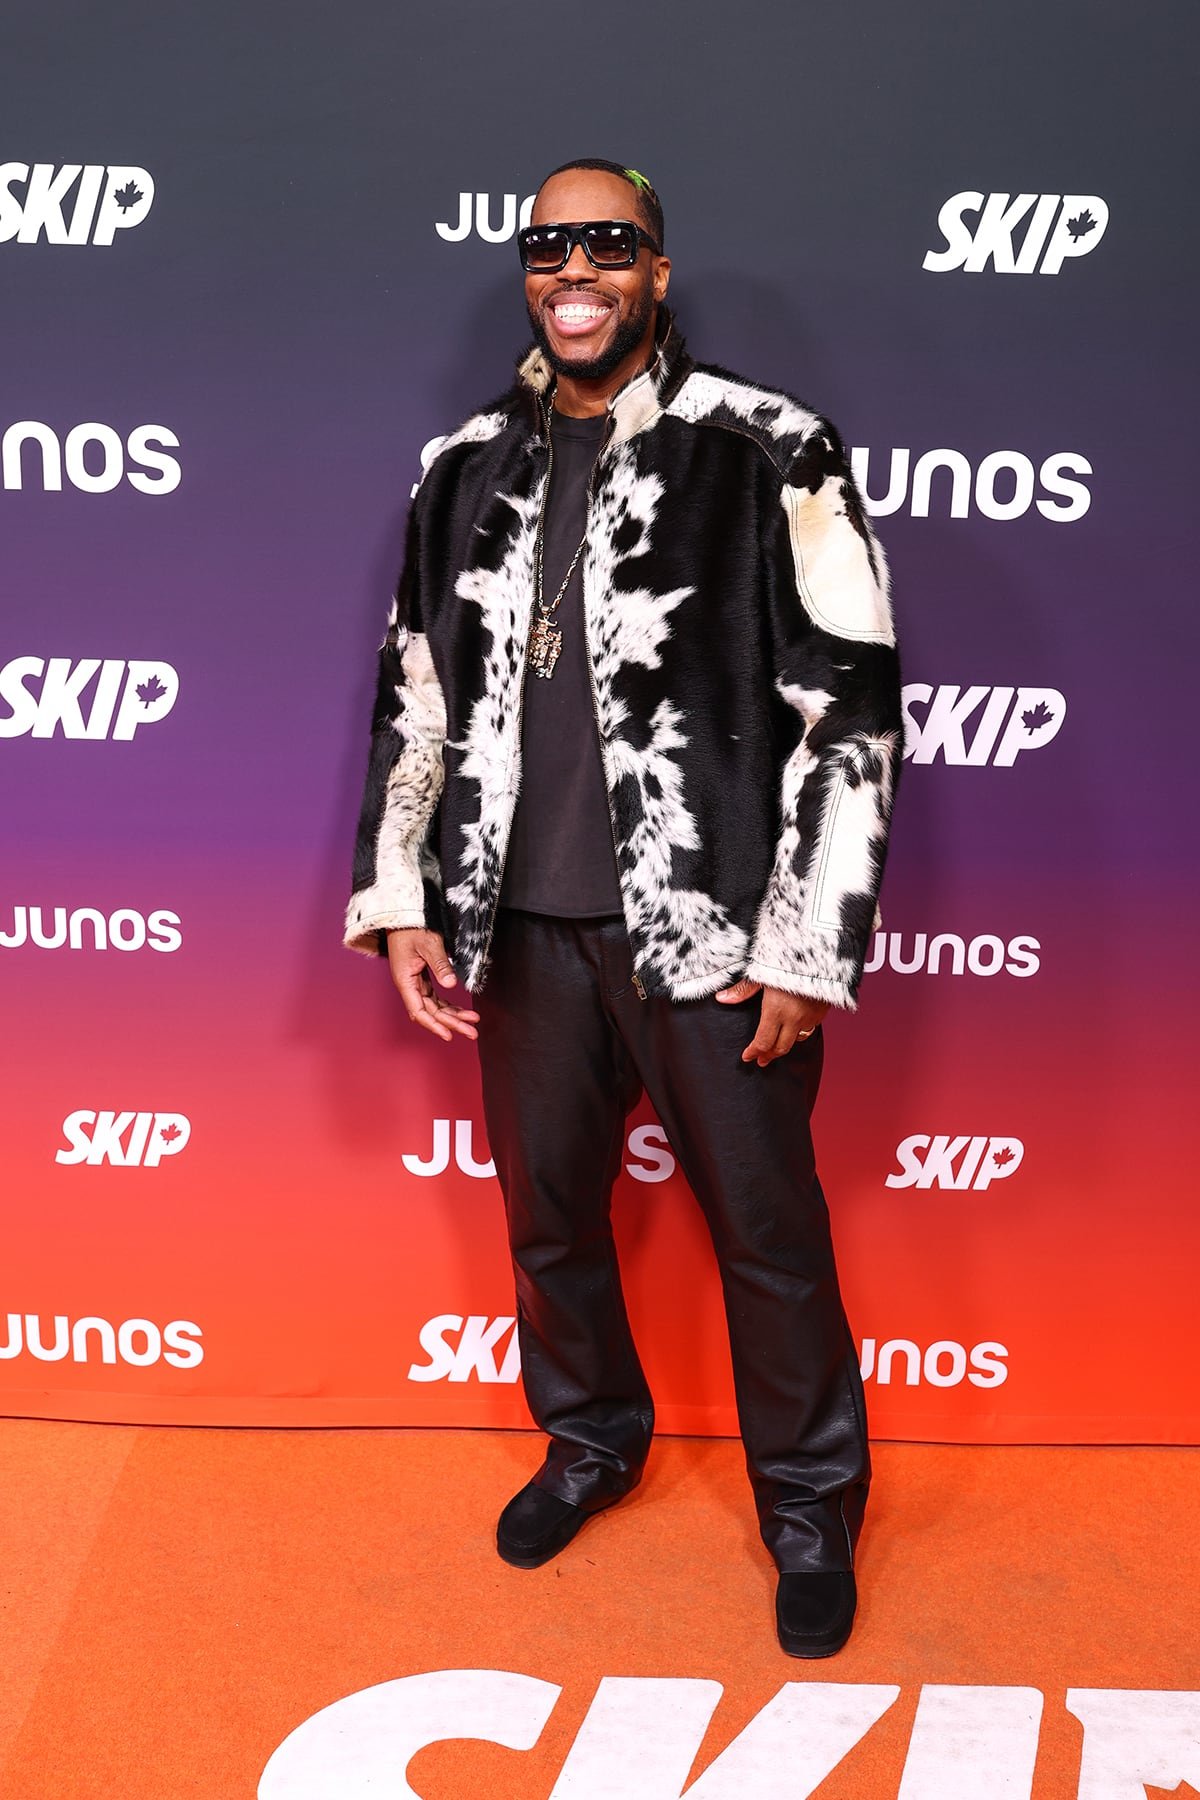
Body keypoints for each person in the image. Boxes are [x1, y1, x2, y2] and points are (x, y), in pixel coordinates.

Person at [344, 157, 902, 1657]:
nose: (574, 267)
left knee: (768, 1232)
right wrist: (404, 894)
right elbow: (420, 697)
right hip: (520, 929)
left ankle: (809, 1505)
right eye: (548, 244)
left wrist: (807, 942)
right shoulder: (462, 464)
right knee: (549, 1225)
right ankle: (591, 1442)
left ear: (656, 270)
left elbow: (850, 718)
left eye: (608, 242)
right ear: (527, 271)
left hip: (710, 933)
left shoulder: (767, 448)